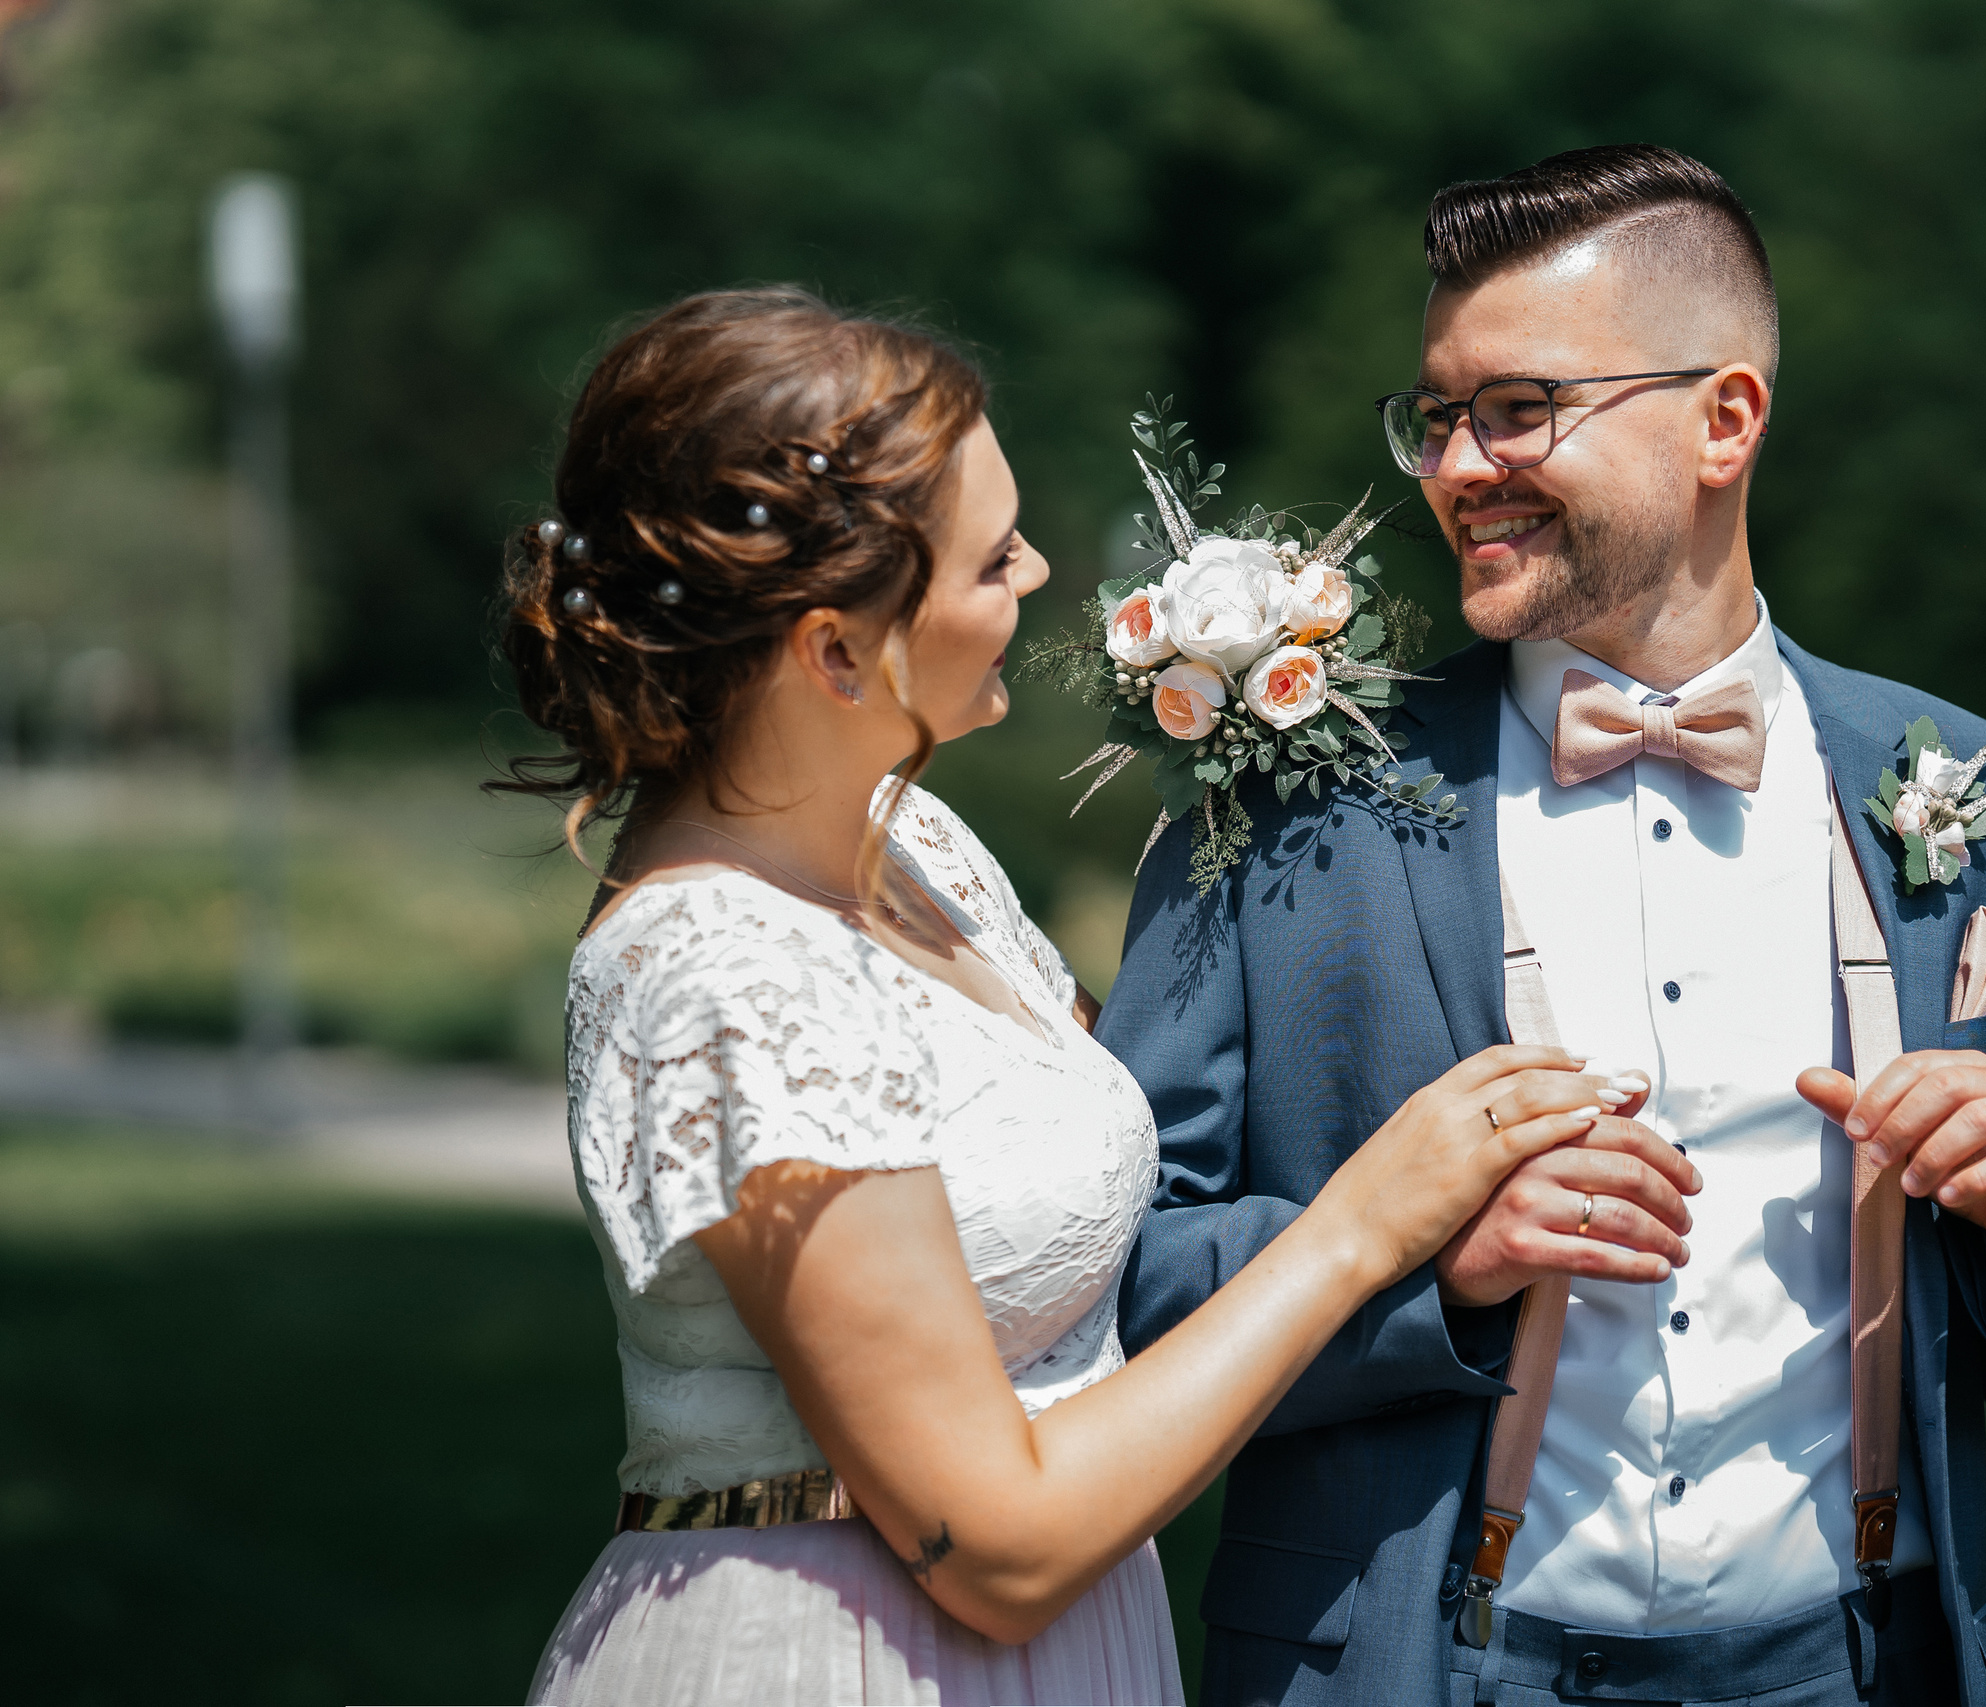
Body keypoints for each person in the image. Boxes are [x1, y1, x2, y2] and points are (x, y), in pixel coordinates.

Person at [1101, 145, 1986, 1707]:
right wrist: (1434, 1270)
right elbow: (1117, 1279)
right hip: (1414, 1669)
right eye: (1438, 414)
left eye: (1521, 408)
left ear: (1724, 419)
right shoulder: (1282, 806)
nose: (1458, 465)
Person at [498, 286, 1634, 1707]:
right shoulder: (726, 976)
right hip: (845, 1661)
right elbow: (999, 1543)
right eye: (989, 561)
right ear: (833, 649)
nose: (1036, 573)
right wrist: (1362, 1228)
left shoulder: (912, 849)